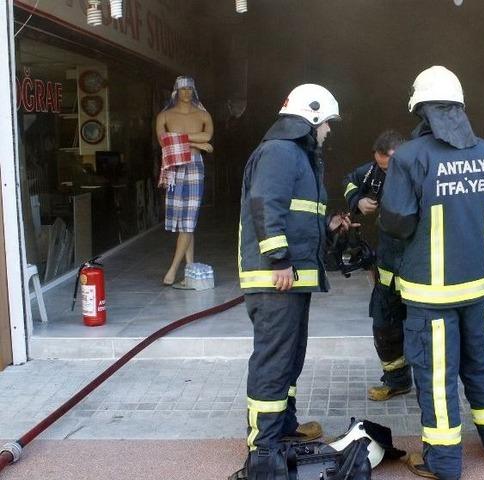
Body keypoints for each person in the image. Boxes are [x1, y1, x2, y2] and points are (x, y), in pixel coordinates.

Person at [379, 65, 484, 480]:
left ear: (420, 109)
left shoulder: (411, 157)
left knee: (437, 379)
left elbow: (396, 222)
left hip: (430, 294)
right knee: (483, 366)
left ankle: (444, 462)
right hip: (478, 288)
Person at [237, 83, 354, 479]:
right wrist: (279, 259)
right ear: (314, 116)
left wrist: (329, 224)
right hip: (276, 278)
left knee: (289, 356)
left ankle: (283, 426)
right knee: (273, 361)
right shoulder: (280, 152)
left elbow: (296, 216)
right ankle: (262, 450)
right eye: (328, 124)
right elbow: (265, 205)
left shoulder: (295, 155)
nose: (329, 131)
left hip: (289, 278)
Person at [342, 129, 412, 401]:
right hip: (386, 264)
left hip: (416, 268)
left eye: (389, 166)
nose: (384, 172)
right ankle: (396, 380)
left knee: (421, 331)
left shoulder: (422, 172)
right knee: (384, 324)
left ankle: (432, 387)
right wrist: (356, 200)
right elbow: (349, 180)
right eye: (380, 166)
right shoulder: (373, 171)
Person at [156, 76, 213, 287]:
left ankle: (173, 269)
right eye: (182, 89)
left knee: (188, 220)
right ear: (176, 92)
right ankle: (189, 268)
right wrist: (193, 138)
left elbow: (207, 138)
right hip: (173, 166)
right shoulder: (165, 115)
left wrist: (178, 136)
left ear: (194, 91)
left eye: (190, 89)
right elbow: (164, 141)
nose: (186, 93)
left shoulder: (203, 114)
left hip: (194, 166)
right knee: (183, 221)